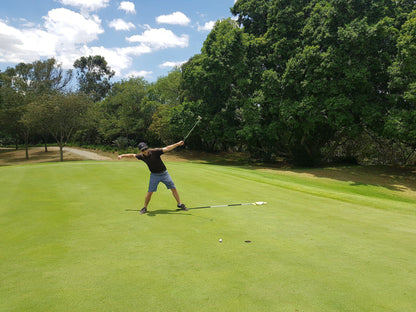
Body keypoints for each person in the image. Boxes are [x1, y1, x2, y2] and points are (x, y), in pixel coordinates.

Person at [118, 141, 188, 214]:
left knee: (173, 188)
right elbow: (132, 155)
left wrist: (177, 144)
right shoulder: (141, 156)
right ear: (140, 151)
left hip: (164, 174)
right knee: (150, 192)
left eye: (145, 149)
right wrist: (122, 155)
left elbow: (167, 148)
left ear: (147, 148)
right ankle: (144, 207)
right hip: (154, 175)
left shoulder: (155, 151)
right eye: (142, 150)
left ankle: (179, 204)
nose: (145, 151)